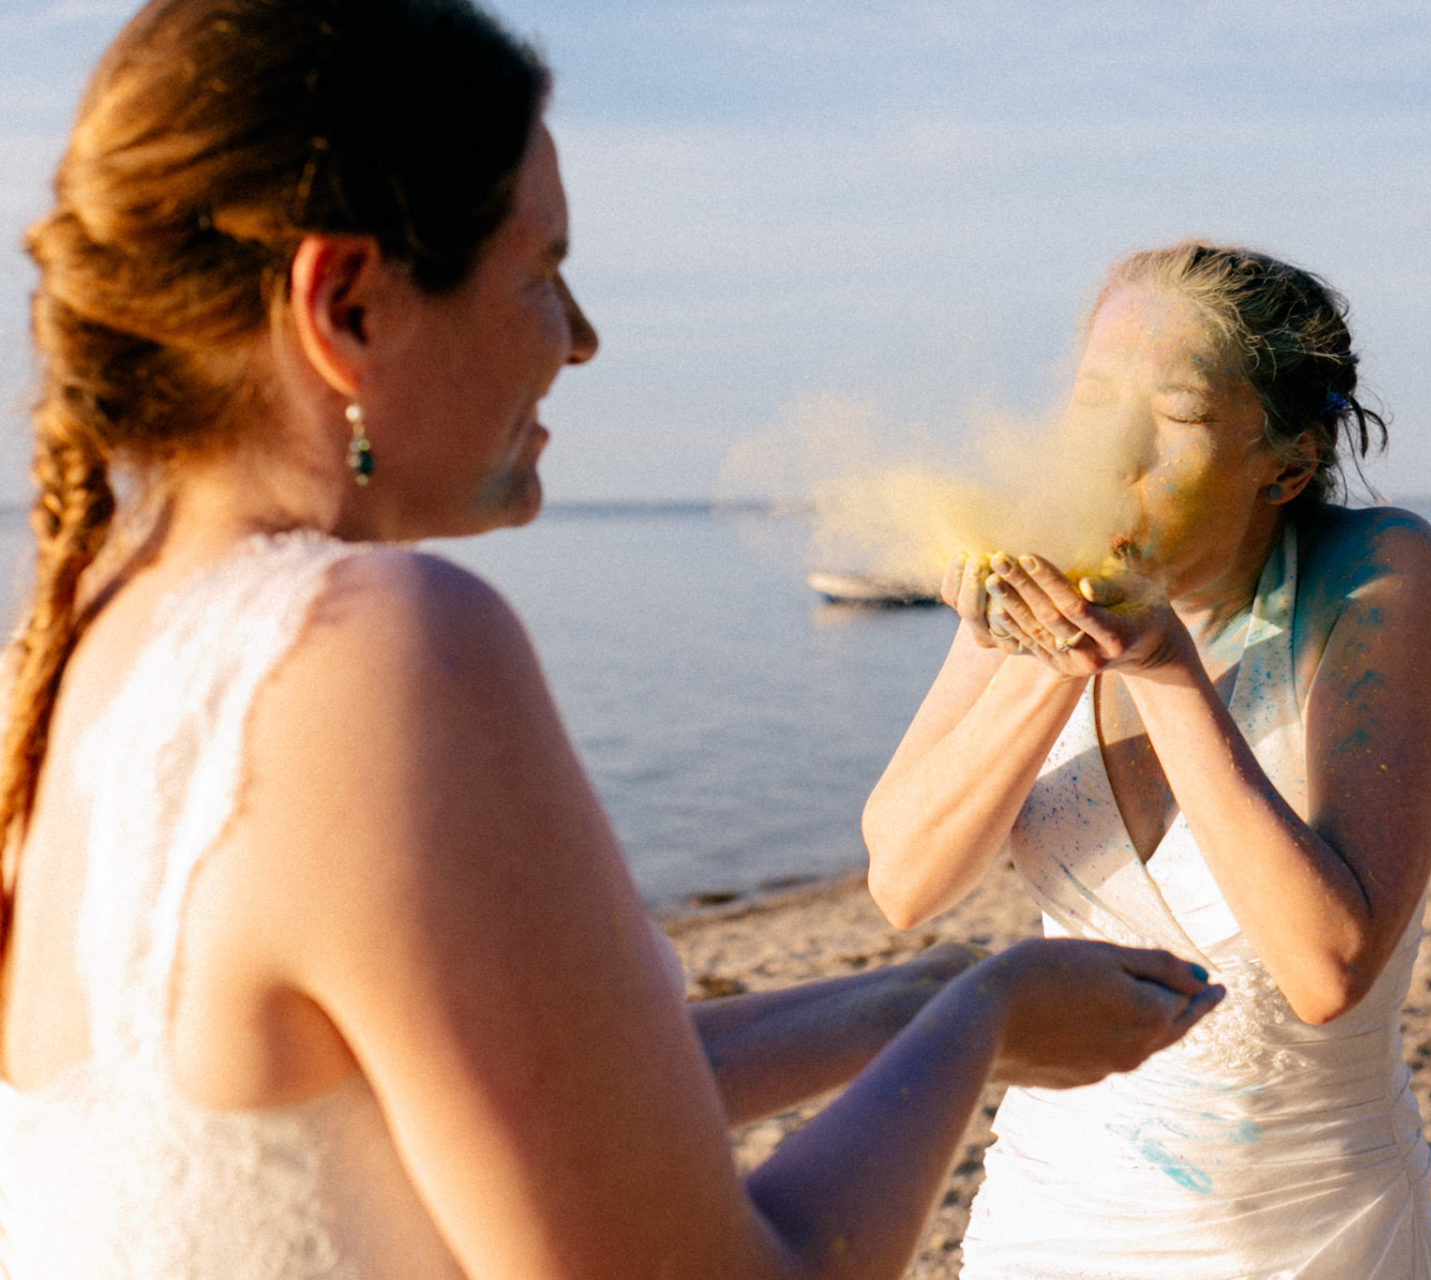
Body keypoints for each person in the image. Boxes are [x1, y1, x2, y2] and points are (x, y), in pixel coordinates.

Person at [0, 4, 1224, 1277]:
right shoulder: (373, 647)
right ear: (349, 303)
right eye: (541, 271)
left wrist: (911, 997)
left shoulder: (89, 639)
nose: (580, 338)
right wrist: (981, 1021)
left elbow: (500, 1083)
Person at [864, 241, 1431, 1278]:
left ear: (1287, 458)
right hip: (1050, 1220)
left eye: (1175, 415)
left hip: (1307, 1232)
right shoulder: (1038, 561)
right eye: (1095, 398)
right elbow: (906, 881)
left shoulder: (1375, 574)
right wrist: (1053, 653)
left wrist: (1164, 669)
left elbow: (1329, 969)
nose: (1114, 448)